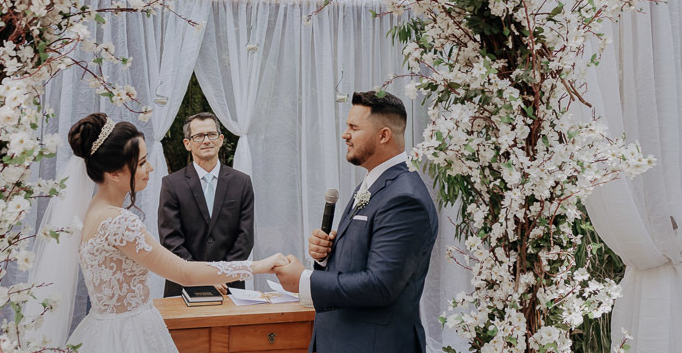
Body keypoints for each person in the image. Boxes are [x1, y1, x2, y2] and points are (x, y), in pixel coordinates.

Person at [62, 113, 285, 353]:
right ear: (115, 173)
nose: (150, 167)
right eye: (141, 162)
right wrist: (260, 266)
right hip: (129, 335)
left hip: (100, 329)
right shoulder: (120, 222)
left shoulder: (88, 213)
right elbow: (184, 273)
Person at [275, 91, 439, 353]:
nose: (345, 134)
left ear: (383, 135)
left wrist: (304, 280)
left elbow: (380, 285)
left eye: (353, 127)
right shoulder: (374, 182)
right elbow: (364, 259)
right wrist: (327, 255)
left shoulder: (405, 198)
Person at [158, 112, 254, 296]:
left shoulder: (242, 182)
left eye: (212, 134)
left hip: (229, 285)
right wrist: (202, 277)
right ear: (187, 144)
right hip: (183, 285)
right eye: (199, 136)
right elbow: (171, 240)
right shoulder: (171, 184)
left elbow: (245, 237)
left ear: (220, 139)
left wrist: (223, 275)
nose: (206, 140)